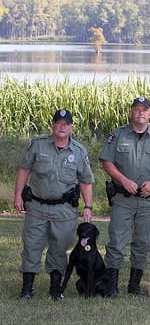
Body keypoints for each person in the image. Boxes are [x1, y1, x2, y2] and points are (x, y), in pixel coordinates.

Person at [14, 109, 94, 301]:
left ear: (71, 127)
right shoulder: (37, 145)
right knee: (32, 246)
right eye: (58, 123)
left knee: (59, 248)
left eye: (66, 124)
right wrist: (18, 194)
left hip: (64, 209)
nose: (62, 126)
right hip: (36, 206)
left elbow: (85, 181)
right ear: (52, 125)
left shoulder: (78, 151)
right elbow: (24, 170)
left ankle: (55, 288)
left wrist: (88, 206)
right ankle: (27, 288)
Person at [99, 97, 150, 297]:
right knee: (117, 240)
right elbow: (107, 161)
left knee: (143, 242)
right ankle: (112, 285)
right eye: (137, 109)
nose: (141, 113)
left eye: (145, 110)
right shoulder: (118, 135)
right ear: (131, 112)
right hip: (123, 198)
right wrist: (123, 180)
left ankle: (134, 285)